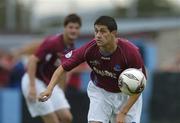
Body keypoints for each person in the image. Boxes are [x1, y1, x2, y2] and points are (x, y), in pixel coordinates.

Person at [38, 16, 146, 123]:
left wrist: (123, 112)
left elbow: (139, 86)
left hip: (126, 96)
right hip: (101, 92)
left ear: (113, 33)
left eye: (103, 31)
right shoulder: (89, 49)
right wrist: (49, 88)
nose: (98, 35)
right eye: (96, 31)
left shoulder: (130, 52)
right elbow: (62, 68)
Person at [21, 14, 81, 123]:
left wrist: (61, 92)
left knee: (67, 118)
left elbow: (63, 72)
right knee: (52, 121)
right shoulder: (53, 42)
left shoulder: (72, 48)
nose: (73, 30)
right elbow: (32, 60)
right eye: (71, 27)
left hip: (48, 84)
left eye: (76, 28)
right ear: (65, 28)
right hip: (34, 80)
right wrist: (32, 86)